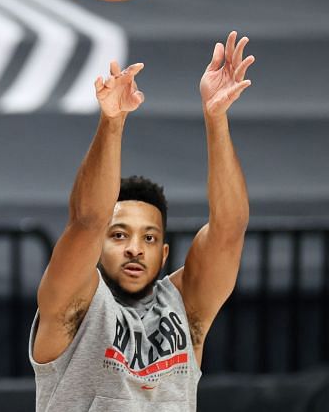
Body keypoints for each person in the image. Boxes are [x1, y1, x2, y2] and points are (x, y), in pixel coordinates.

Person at [29, 31, 255, 411]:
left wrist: (216, 119)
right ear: (98, 247)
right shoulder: (74, 304)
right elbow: (87, 220)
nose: (135, 247)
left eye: (149, 238)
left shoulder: (185, 305)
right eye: (119, 235)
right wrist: (112, 122)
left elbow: (229, 229)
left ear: (164, 252)